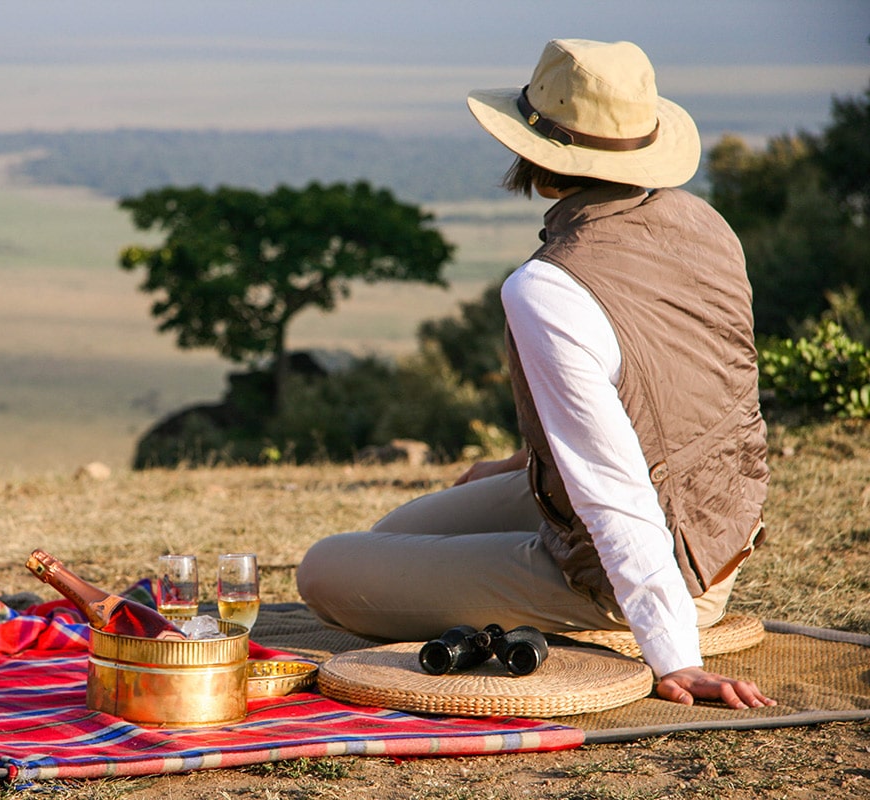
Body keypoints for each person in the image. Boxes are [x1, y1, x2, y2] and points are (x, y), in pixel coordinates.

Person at [296, 39, 775, 710]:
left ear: (538, 152)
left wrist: (674, 657)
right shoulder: (705, 223)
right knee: (392, 536)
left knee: (327, 570)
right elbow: (675, 397)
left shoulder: (548, 287)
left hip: (652, 563)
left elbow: (616, 493)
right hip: (718, 531)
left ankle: (629, 618)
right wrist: (521, 463)